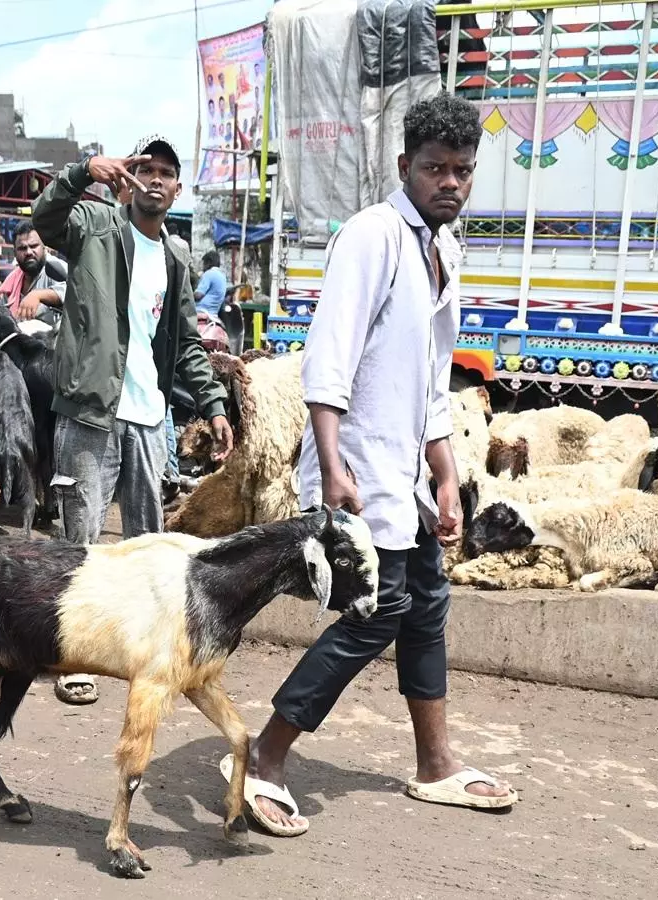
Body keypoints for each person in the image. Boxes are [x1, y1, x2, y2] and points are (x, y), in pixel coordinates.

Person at [228, 94, 517, 837]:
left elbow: (430, 375)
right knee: (380, 610)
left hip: (406, 470)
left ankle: (435, 763)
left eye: (462, 170)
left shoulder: (443, 249)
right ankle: (264, 753)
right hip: (357, 463)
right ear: (404, 168)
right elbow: (329, 362)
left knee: (426, 605)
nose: (449, 182)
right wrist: (331, 467)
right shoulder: (374, 235)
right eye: (434, 169)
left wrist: (446, 470)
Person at [32, 134, 234, 706]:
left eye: (167, 172)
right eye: (146, 167)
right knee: (82, 537)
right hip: (92, 412)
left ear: (177, 188)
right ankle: (71, 655)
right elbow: (45, 218)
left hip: (150, 420)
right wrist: (81, 172)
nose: (155, 178)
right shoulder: (95, 225)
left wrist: (213, 405)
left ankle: (143, 652)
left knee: (149, 546)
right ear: (131, 175)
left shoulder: (176, 258)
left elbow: (188, 343)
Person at [4, 226, 67, 327]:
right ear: (14, 253)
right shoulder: (12, 281)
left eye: (33, 246)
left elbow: (75, 290)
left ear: (44, 247)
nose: (28, 252)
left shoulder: (55, 267)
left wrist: (38, 295)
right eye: (22, 248)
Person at [194, 250, 228, 319]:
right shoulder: (222, 276)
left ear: (209, 262)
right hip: (213, 314)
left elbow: (198, 295)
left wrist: (189, 295)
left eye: (203, 264)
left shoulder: (209, 274)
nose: (202, 267)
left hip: (201, 311)